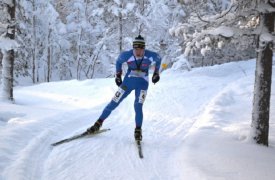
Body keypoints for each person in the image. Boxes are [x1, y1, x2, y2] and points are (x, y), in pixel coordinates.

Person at [86, 35, 161, 141]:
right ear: (133, 48)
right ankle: (98, 124)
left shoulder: (151, 55)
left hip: (142, 83)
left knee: (138, 106)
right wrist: (118, 75)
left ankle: (138, 130)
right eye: (136, 50)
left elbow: (159, 60)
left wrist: (156, 73)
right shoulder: (126, 55)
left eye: (140, 50)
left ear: (144, 49)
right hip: (127, 83)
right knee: (113, 102)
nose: (138, 52)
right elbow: (118, 62)